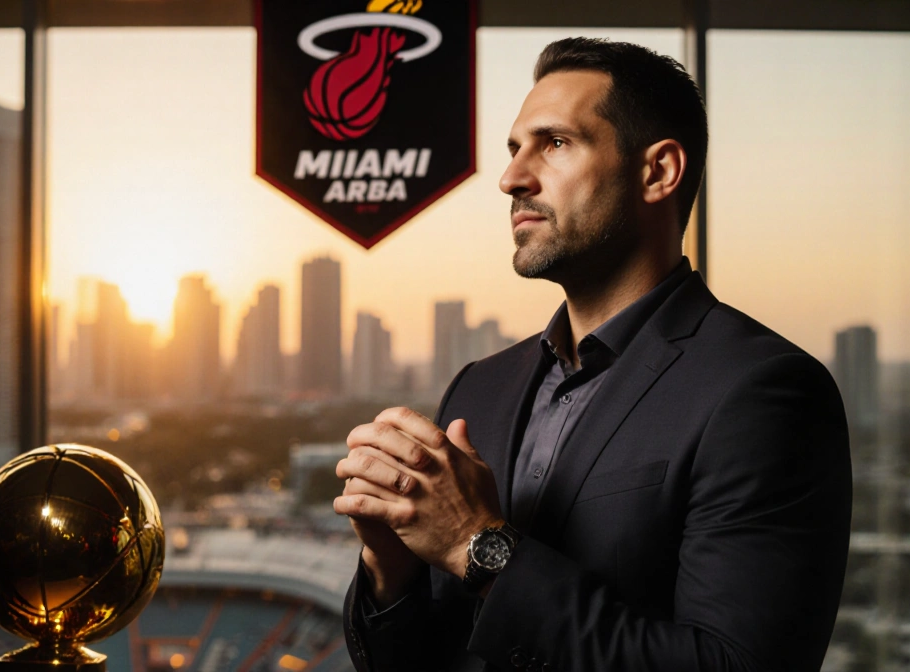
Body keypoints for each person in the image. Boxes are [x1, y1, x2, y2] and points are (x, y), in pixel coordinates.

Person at [332, 37, 852, 672]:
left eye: (555, 143)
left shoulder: (763, 391)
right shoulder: (480, 387)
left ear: (658, 172)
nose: (511, 179)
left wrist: (477, 543)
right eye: (514, 149)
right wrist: (392, 571)